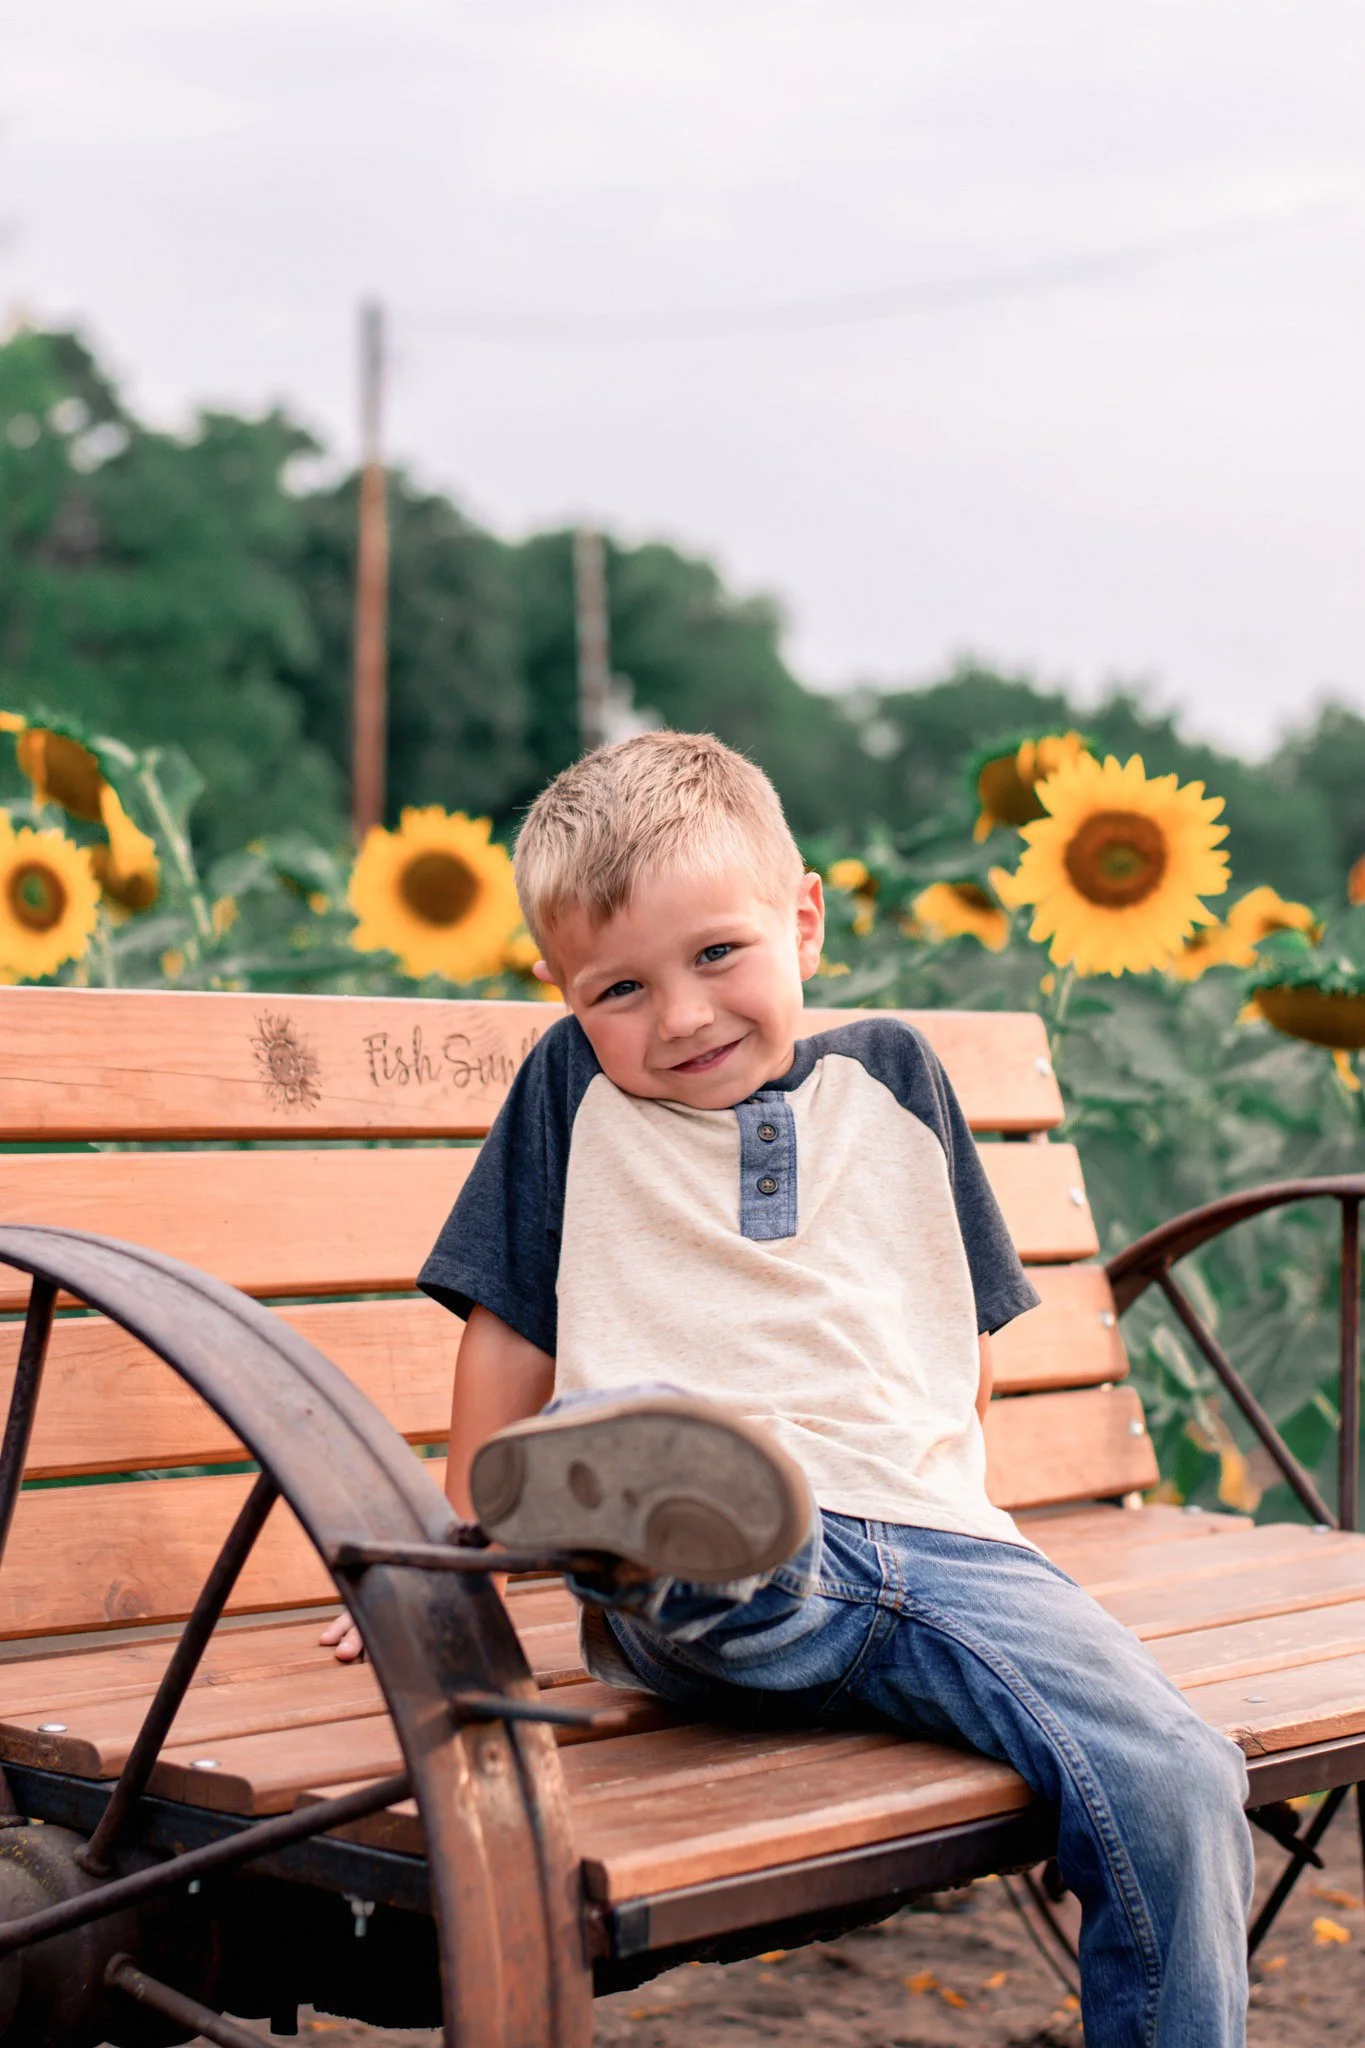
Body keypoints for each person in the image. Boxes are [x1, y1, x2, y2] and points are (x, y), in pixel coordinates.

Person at [323, 730, 1253, 2046]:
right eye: (621, 988)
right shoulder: (570, 1087)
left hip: (944, 1556)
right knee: (705, 1512)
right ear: (560, 991)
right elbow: (507, 1335)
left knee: (1177, 1773)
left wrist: (934, 1476)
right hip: (712, 1593)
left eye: (717, 956)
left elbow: (962, 1340)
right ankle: (660, 1492)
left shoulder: (899, 1081)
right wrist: (452, 1552)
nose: (682, 1016)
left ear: (803, 917)